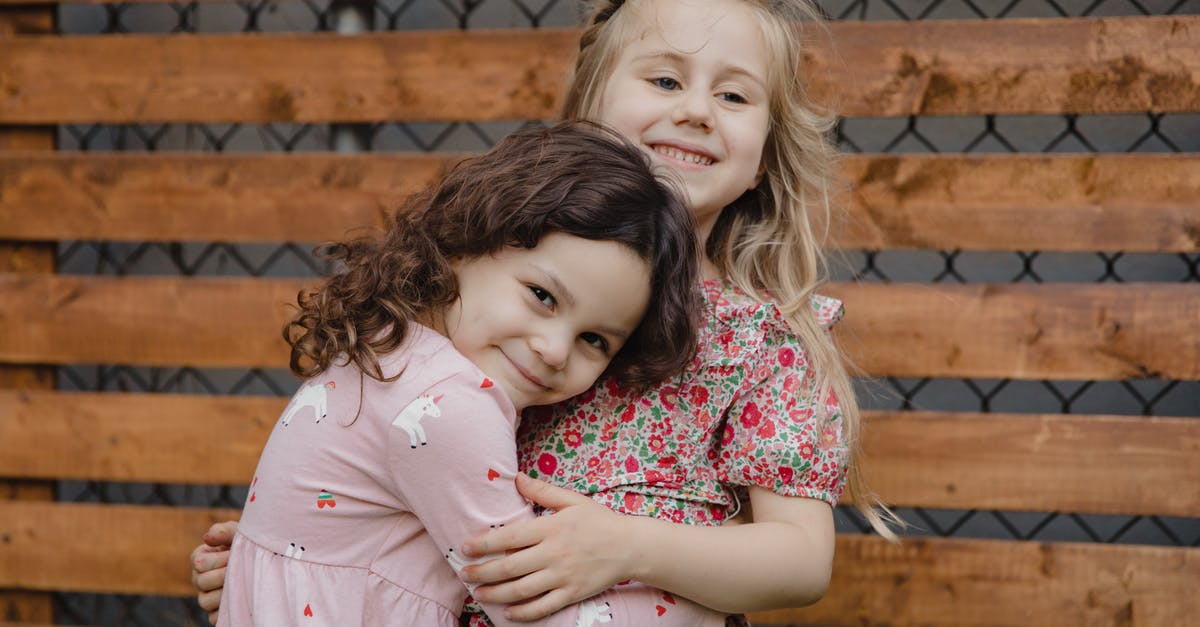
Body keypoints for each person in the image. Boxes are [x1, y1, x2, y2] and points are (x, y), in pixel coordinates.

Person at [193, 0, 902, 624]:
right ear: (588, 106)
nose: (695, 110)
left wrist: (627, 544)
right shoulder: (501, 268)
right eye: (664, 79)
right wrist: (299, 556)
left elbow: (801, 559)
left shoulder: (760, 343)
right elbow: (398, 454)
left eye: (735, 97)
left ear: (764, 159)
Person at [212, 120, 727, 626]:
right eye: (542, 296)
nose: (553, 350)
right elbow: (525, 602)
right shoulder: (447, 404)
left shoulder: (385, 349)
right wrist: (695, 603)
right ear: (465, 246)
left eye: (594, 340)